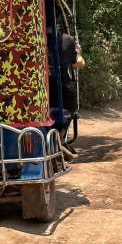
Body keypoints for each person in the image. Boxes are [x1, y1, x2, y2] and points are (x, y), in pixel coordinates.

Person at [47, 26, 84, 160]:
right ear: (56, 20)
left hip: (40, 91)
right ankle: (61, 136)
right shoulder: (67, 40)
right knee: (72, 102)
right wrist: (77, 51)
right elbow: (76, 61)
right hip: (61, 88)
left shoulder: (31, 39)